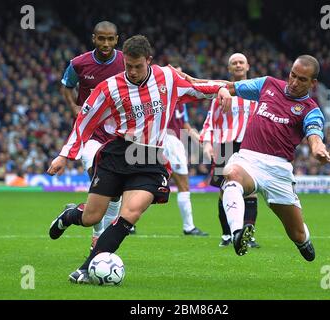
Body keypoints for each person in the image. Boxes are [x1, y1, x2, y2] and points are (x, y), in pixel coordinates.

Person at [47, 35, 232, 283]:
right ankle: (70, 215)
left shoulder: (167, 77)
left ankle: (87, 267)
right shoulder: (109, 87)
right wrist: (64, 155)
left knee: (129, 214)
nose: (132, 72)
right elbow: (85, 122)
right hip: (118, 153)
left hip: (150, 157)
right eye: (128, 66)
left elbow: (199, 87)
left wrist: (223, 87)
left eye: (138, 66)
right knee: (91, 217)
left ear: (149, 60)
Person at [180, 55, 330, 260]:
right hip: (248, 158)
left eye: (302, 80)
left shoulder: (310, 110)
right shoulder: (268, 84)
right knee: (231, 174)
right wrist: (194, 81)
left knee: (296, 233)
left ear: (313, 83)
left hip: (278, 171)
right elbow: (230, 87)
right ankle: (236, 233)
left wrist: (318, 148)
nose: (294, 82)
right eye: (293, 75)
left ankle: (303, 241)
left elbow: (315, 134)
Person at [60, 21, 131, 250]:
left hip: (119, 133)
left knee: (115, 190)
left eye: (110, 39)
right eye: (101, 38)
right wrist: (74, 108)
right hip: (91, 133)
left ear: (117, 39)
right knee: (98, 177)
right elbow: (66, 86)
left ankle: (97, 233)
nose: (106, 43)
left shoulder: (126, 61)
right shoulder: (79, 64)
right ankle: (98, 236)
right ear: (94, 38)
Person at [200, 53, 259, 248]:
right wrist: (207, 143)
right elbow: (210, 121)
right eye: (234, 63)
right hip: (225, 146)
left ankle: (248, 235)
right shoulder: (222, 93)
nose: (238, 65)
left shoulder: (258, 92)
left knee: (250, 191)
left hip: (249, 146)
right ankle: (227, 235)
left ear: (248, 66)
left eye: (241, 62)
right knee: (224, 191)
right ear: (229, 69)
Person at [164, 98, 208, 236]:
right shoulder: (165, 97)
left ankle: (129, 224)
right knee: (183, 185)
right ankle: (189, 227)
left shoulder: (180, 103)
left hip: (166, 141)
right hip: (168, 141)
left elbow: (184, 123)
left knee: (145, 183)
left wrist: (197, 137)